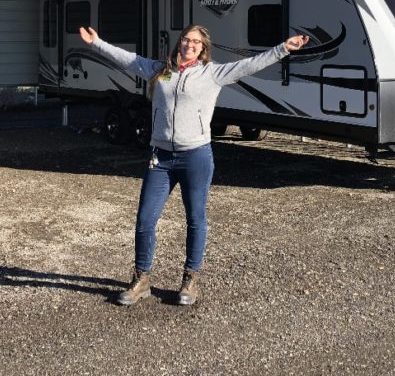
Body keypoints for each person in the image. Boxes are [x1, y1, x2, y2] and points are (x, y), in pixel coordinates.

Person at [79, 24, 309, 306]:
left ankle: (190, 278)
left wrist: (283, 49)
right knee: (145, 219)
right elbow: (128, 60)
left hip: (195, 156)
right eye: (186, 39)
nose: (190, 44)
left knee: (195, 219)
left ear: (203, 48)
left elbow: (250, 65)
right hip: (160, 157)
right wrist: (96, 43)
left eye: (196, 42)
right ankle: (141, 279)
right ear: (179, 43)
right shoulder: (160, 70)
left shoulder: (213, 73)